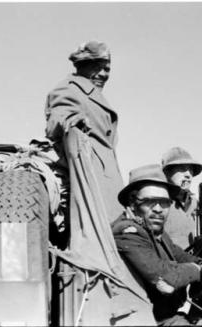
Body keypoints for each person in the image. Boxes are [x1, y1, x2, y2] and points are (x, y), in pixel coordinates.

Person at [112, 164, 202, 326]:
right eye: (149, 201)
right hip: (148, 320)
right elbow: (168, 279)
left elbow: (182, 256)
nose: (158, 209)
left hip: (165, 316)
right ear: (132, 202)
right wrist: (197, 270)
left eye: (164, 202)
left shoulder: (157, 233)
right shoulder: (127, 232)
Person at [44, 40, 123, 222]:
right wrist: (70, 122)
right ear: (82, 66)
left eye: (107, 69)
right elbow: (56, 119)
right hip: (89, 185)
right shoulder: (69, 89)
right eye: (97, 67)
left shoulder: (93, 95)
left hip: (107, 187)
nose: (103, 74)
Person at [161, 147, 202, 249]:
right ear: (167, 172)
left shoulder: (195, 203)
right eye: (182, 169)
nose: (188, 175)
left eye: (190, 170)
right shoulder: (159, 203)